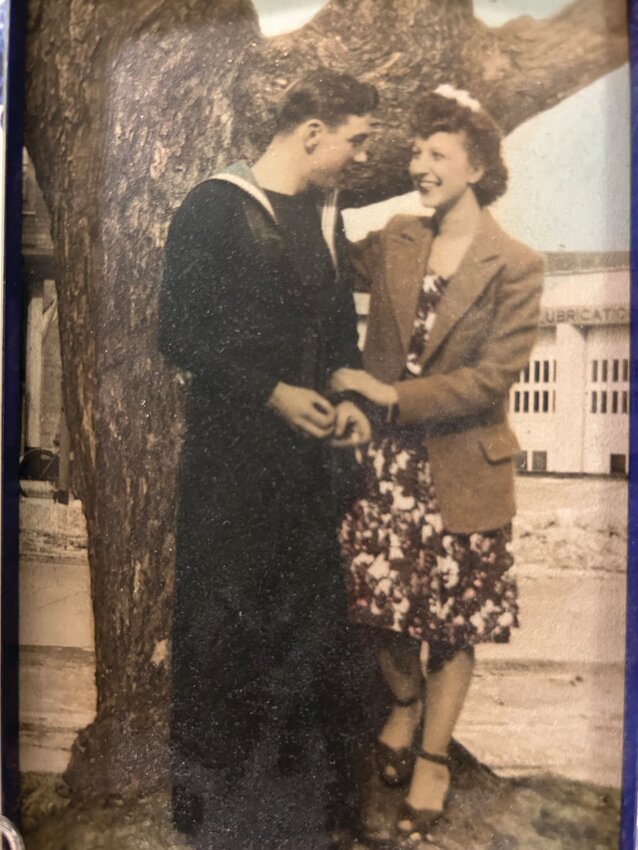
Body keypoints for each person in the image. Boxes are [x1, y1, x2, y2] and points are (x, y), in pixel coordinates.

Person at [159, 69, 378, 850]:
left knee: (304, 630)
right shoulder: (214, 207)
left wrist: (347, 395)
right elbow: (179, 335)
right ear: (312, 130)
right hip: (231, 467)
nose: (359, 157)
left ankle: (294, 818)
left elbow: (337, 338)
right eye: (355, 140)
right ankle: (218, 816)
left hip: (308, 473)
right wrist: (272, 393)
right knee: (224, 630)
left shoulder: (325, 217)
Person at [331, 86, 544, 844]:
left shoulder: (516, 264)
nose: (418, 165)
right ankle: (403, 702)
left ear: (477, 165)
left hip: (463, 466)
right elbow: (320, 257)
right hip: (385, 466)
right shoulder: (395, 236)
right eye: (415, 153)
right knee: (381, 606)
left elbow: (491, 380)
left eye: (436, 154)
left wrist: (388, 393)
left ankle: (432, 758)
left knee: (453, 623)